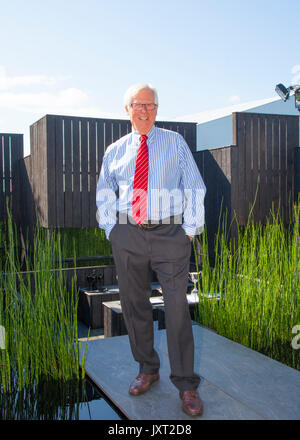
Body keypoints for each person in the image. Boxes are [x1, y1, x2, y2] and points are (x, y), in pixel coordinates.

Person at [96, 83, 206, 417]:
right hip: (128, 233)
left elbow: (194, 186)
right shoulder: (115, 150)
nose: (145, 111)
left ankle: (186, 384)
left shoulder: (175, 143)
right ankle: (147, 368)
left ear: (157, 109)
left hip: (170, 233)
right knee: (134, 304)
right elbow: (105, 192)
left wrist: (188, 231)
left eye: (151, 105)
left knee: (176, 308)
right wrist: (111, 229)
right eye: (138, 105)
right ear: (126, 109)